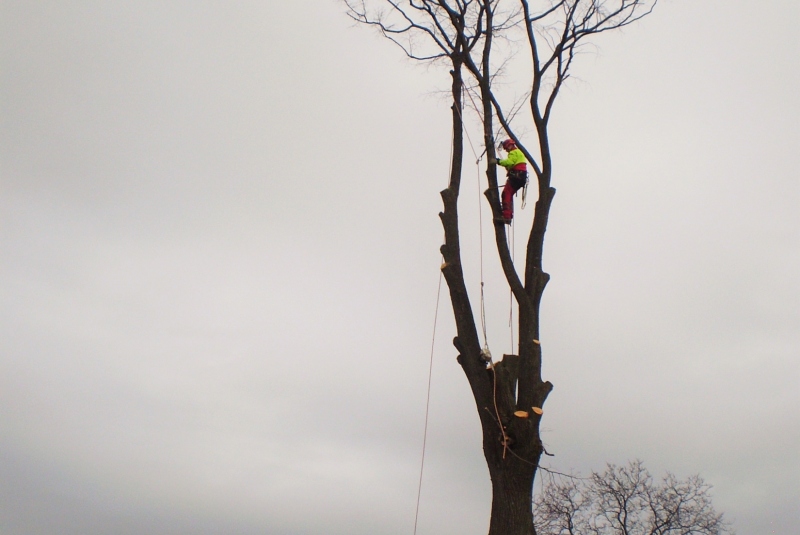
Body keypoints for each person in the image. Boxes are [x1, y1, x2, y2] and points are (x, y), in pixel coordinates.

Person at [494, 139, 528, 224]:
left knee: (506, 194)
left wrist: (498, 161)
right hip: (521, 178)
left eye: (506, 148)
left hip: (517, 177)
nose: (506, 150)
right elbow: (514, 164)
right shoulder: (519, 153)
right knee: (509, 195)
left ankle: (506, 216)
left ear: (510, 145)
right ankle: (509, 214)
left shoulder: (513, 152)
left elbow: (510, 162)